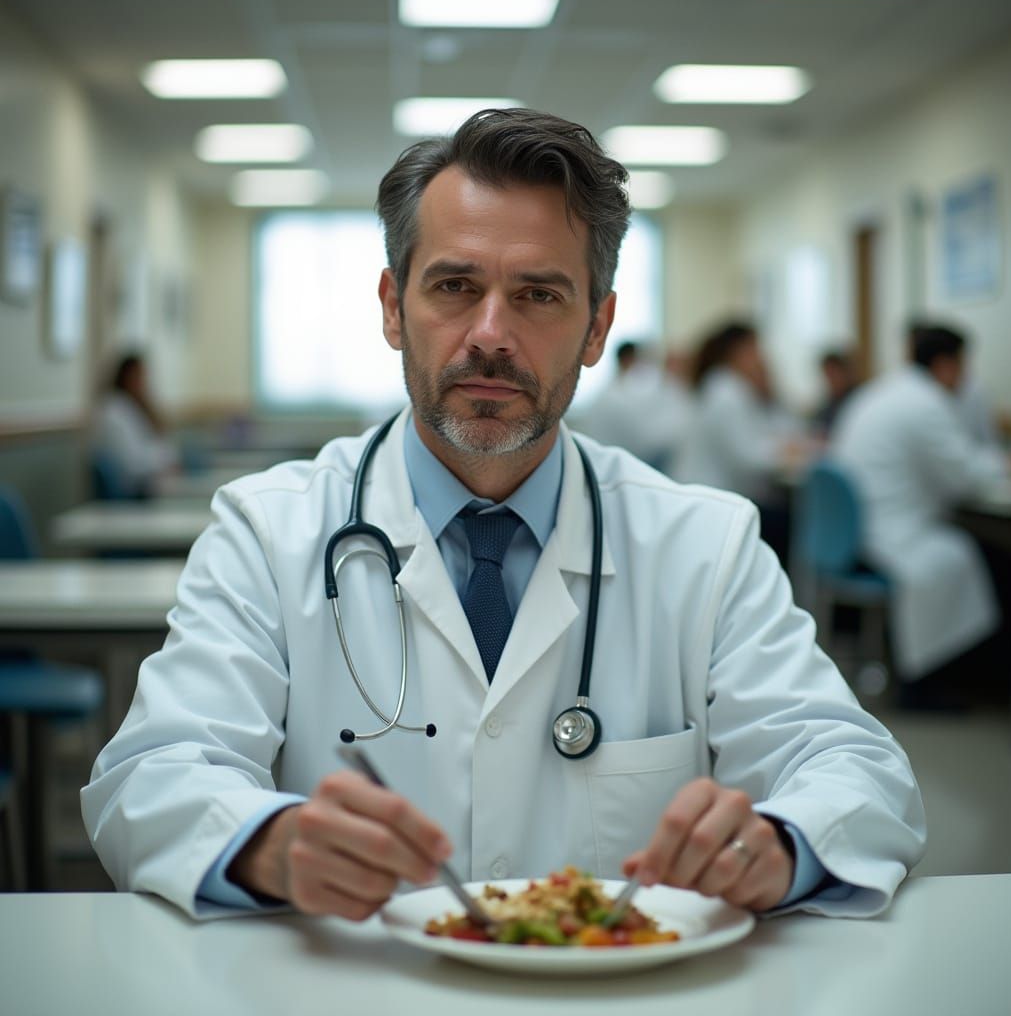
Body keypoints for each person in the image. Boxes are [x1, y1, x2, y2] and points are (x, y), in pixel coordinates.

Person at [82, 108, 924, 923]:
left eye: (538, 296)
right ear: (390, 305)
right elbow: (153, 775)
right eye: (454, 285)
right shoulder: (267, 534)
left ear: (597, 326)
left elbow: (856, 770)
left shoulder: (706, 544)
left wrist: (780, 841)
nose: (491, 333)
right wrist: (269, 844)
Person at [832, 323, 1011, 694]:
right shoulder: (926, 403)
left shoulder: (885, 391)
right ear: (945, 365)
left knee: (973, 555)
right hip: (893, 534)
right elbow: (965, 474)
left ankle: (950, 675)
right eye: (962, 366)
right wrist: (1009, 465)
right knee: (986, 562)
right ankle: (938, 681)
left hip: (865, 529)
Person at [680, 321, 807, 560]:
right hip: (713, 504)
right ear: (738, 352)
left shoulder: (733, 388)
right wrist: (789, 452)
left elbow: (776, 430)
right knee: (788, 521)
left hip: (720, 498)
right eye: (756, 349)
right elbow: (749, 459)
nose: (762, 357)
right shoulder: (726, 392)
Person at [582, 340, 690, 473]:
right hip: (621, 463)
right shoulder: (620, 396)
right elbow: (646, 440)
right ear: (629, 359)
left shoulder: (612, 392)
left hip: (614, 461)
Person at [91, 353, 179, 498]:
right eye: (137, 376)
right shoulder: (114, 411)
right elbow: (134, 464)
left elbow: (163, 447)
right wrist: (165, 461)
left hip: (145, 484)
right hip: (131, 491)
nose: (142, 382)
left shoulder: (135, 407)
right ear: (124, 377)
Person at [812, 350, 858, 438]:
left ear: (845, 372)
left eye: (834, 374)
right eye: (827, 375)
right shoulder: (829, 403)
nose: (830, 380)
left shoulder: (858, 399)